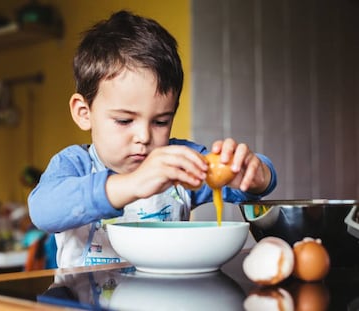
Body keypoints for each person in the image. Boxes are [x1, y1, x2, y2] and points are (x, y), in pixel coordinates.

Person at [28, 10, 277, 268]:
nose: (144, 137)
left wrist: (254, 175)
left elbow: (249, 179)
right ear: (84, 113)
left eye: (160, 122)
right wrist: (132, 184)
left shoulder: (177, 162)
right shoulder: (76, 164)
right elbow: (43, 211)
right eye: (124, 120)